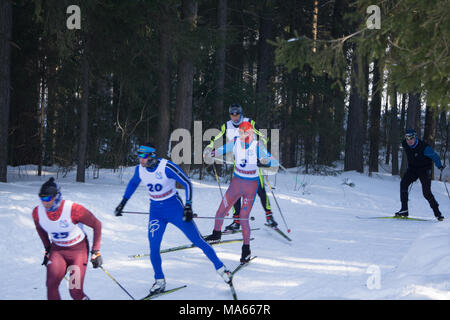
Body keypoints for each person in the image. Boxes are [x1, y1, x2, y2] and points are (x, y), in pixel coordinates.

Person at [114, 143, 232, 295]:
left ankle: (222, 269)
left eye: (143, 156)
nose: (140, 159)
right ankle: (159, 281)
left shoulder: (166, 167)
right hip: (156, 212)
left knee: (198, 241)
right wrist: (122, 203)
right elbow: (133, 184)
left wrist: (188, 206)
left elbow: (187, 183)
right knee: (154, 247)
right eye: (139, 156)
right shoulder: (140, 170)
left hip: (175, 209)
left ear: (152, 156)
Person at [204, 121, 279, 263]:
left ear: (251, 133)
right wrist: (210, 153)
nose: (242, 135)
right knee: (221, 211)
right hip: (236, 182)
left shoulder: (257, 146)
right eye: (240, 132)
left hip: (251, 185)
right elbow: (220, 150)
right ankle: (216, 234)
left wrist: (264, 163)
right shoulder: (236, 142)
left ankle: (246, 249)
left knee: (244, 217)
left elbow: (274, 162)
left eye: (245, 132)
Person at [206, 103, 278, 231]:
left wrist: (260, 148)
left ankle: (269, 216)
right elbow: (216, 137)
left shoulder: (249, 122)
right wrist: (209, 148)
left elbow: (262, 135)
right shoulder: (226, 126)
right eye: (232, 115)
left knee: (260, 190)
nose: (235, 117)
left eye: (237, 114)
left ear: (241, 114)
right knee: (236, 193)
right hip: (238, 162)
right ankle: (236, 220)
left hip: (253, 161)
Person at [32, 177, 102, 300]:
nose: (45, 202)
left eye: (48, 198)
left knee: (75, 291)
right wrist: (47, 249)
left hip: (78, 252)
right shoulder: (38, 212)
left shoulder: (73, 209)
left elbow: (97, 224)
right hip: (58, 252)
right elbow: (40, 229)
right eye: (41, 198)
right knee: (51, 285)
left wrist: (96, 251)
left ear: (57, 196)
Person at [395, 128, 445, 221]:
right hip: (413, 168)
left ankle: (437, 213)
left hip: (425, 169)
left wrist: (440, 166)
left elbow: (434, 156)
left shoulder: (424, 147)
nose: (409, 140)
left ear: (415, 137)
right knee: (403, 183)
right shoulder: (405, 144)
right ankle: (404, 209)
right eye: (407, 138)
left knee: (426, 193)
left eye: (411, 138)